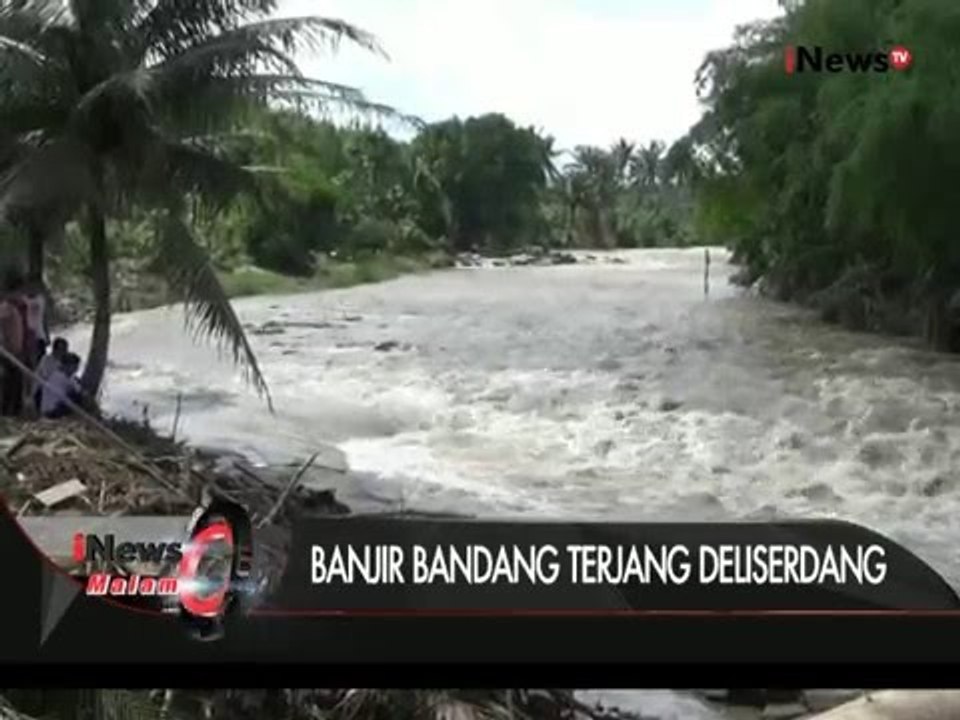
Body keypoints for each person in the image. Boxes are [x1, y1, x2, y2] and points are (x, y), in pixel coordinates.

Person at [40, 352, 83, 419]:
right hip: (51, 411)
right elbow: (77, 390)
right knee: (76, 396)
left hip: (56, 407)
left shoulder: (68, 377)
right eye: (74, 366)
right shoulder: (58, 377)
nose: (76, 369)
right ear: (65, 365)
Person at [34, 337, 68, 409]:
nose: (63, 352)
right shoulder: (46, 359)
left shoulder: (63, 362)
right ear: (55, 349)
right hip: (42, 391)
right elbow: (47, 376)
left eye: (65, 350)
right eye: (61, 349)